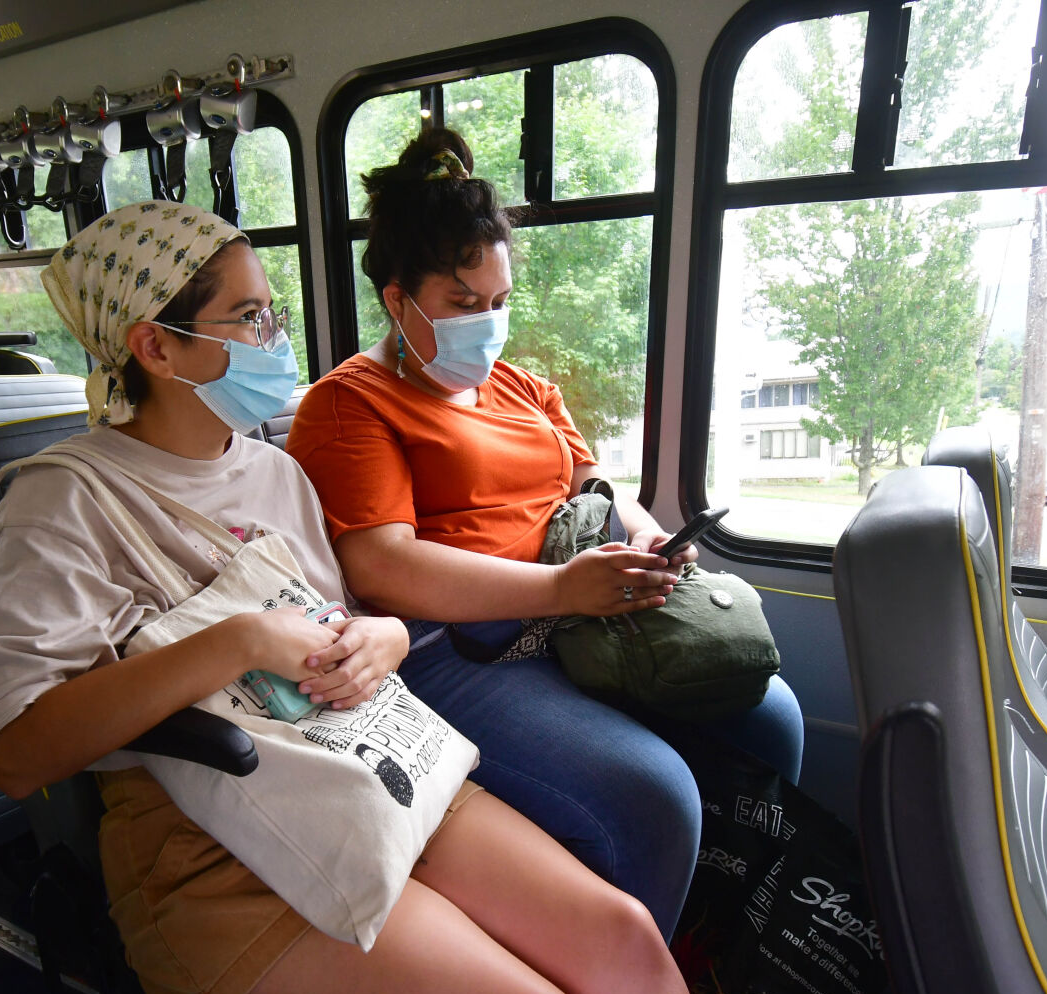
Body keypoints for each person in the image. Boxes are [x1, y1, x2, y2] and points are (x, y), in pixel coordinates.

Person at [0, 202, 788, 994]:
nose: (278, 338)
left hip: (369, 766)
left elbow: (354, 620)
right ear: (156, 345)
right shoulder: (62, 498)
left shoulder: (271, 473)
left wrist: (385, 634)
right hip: (217, 852)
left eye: (272, 312)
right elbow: (17, 752)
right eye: (251, 318)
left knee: (625, 945)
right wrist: (235, 642)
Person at [287, 129, 806, 940]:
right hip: (452, 652)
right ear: (397, 300)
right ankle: (642, 984)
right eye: (463, 304)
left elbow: (594, 488)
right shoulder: (348, 404)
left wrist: (647, 541)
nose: (487, 324)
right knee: (652, 794)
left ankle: (723, 937)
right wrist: (563, 588)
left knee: (768, 715)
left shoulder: (522, 389)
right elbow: (382, 565)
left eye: (499, 303)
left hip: (573, 617)